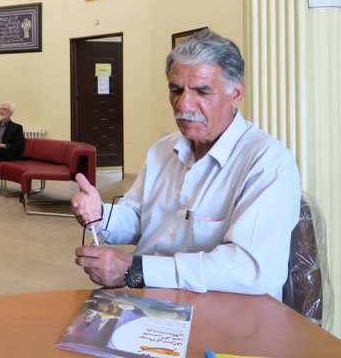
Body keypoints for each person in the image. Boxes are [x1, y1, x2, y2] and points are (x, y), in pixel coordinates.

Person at [71, 29, 300, 299]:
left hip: (225, 311)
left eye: (202, 91)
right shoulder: (163, 150)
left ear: (236, 93)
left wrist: (136, 269)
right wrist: (100, 215)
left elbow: (251, 269)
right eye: (176, 90)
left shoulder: (267, 161)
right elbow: (140, 218)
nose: (184, 104)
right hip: (149, 299)